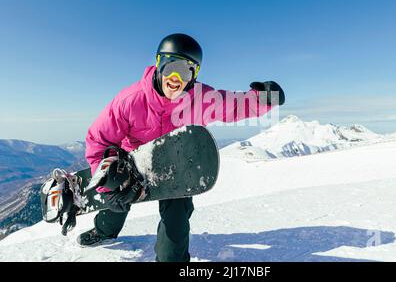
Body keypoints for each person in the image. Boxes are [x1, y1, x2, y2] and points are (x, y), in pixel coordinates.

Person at [77, 33, 285, 262]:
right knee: (118, 194)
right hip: (134, 160)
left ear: (194, 75)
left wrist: (265, 98)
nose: (176, 77)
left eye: (186, 71)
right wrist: (106, 184)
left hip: (175, 162)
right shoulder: (131, 100)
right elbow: (99, 139)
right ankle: (105, 230)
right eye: (170, 67)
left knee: (176, 219)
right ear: (158, 64)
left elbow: (233, 106)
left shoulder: (201, 98)